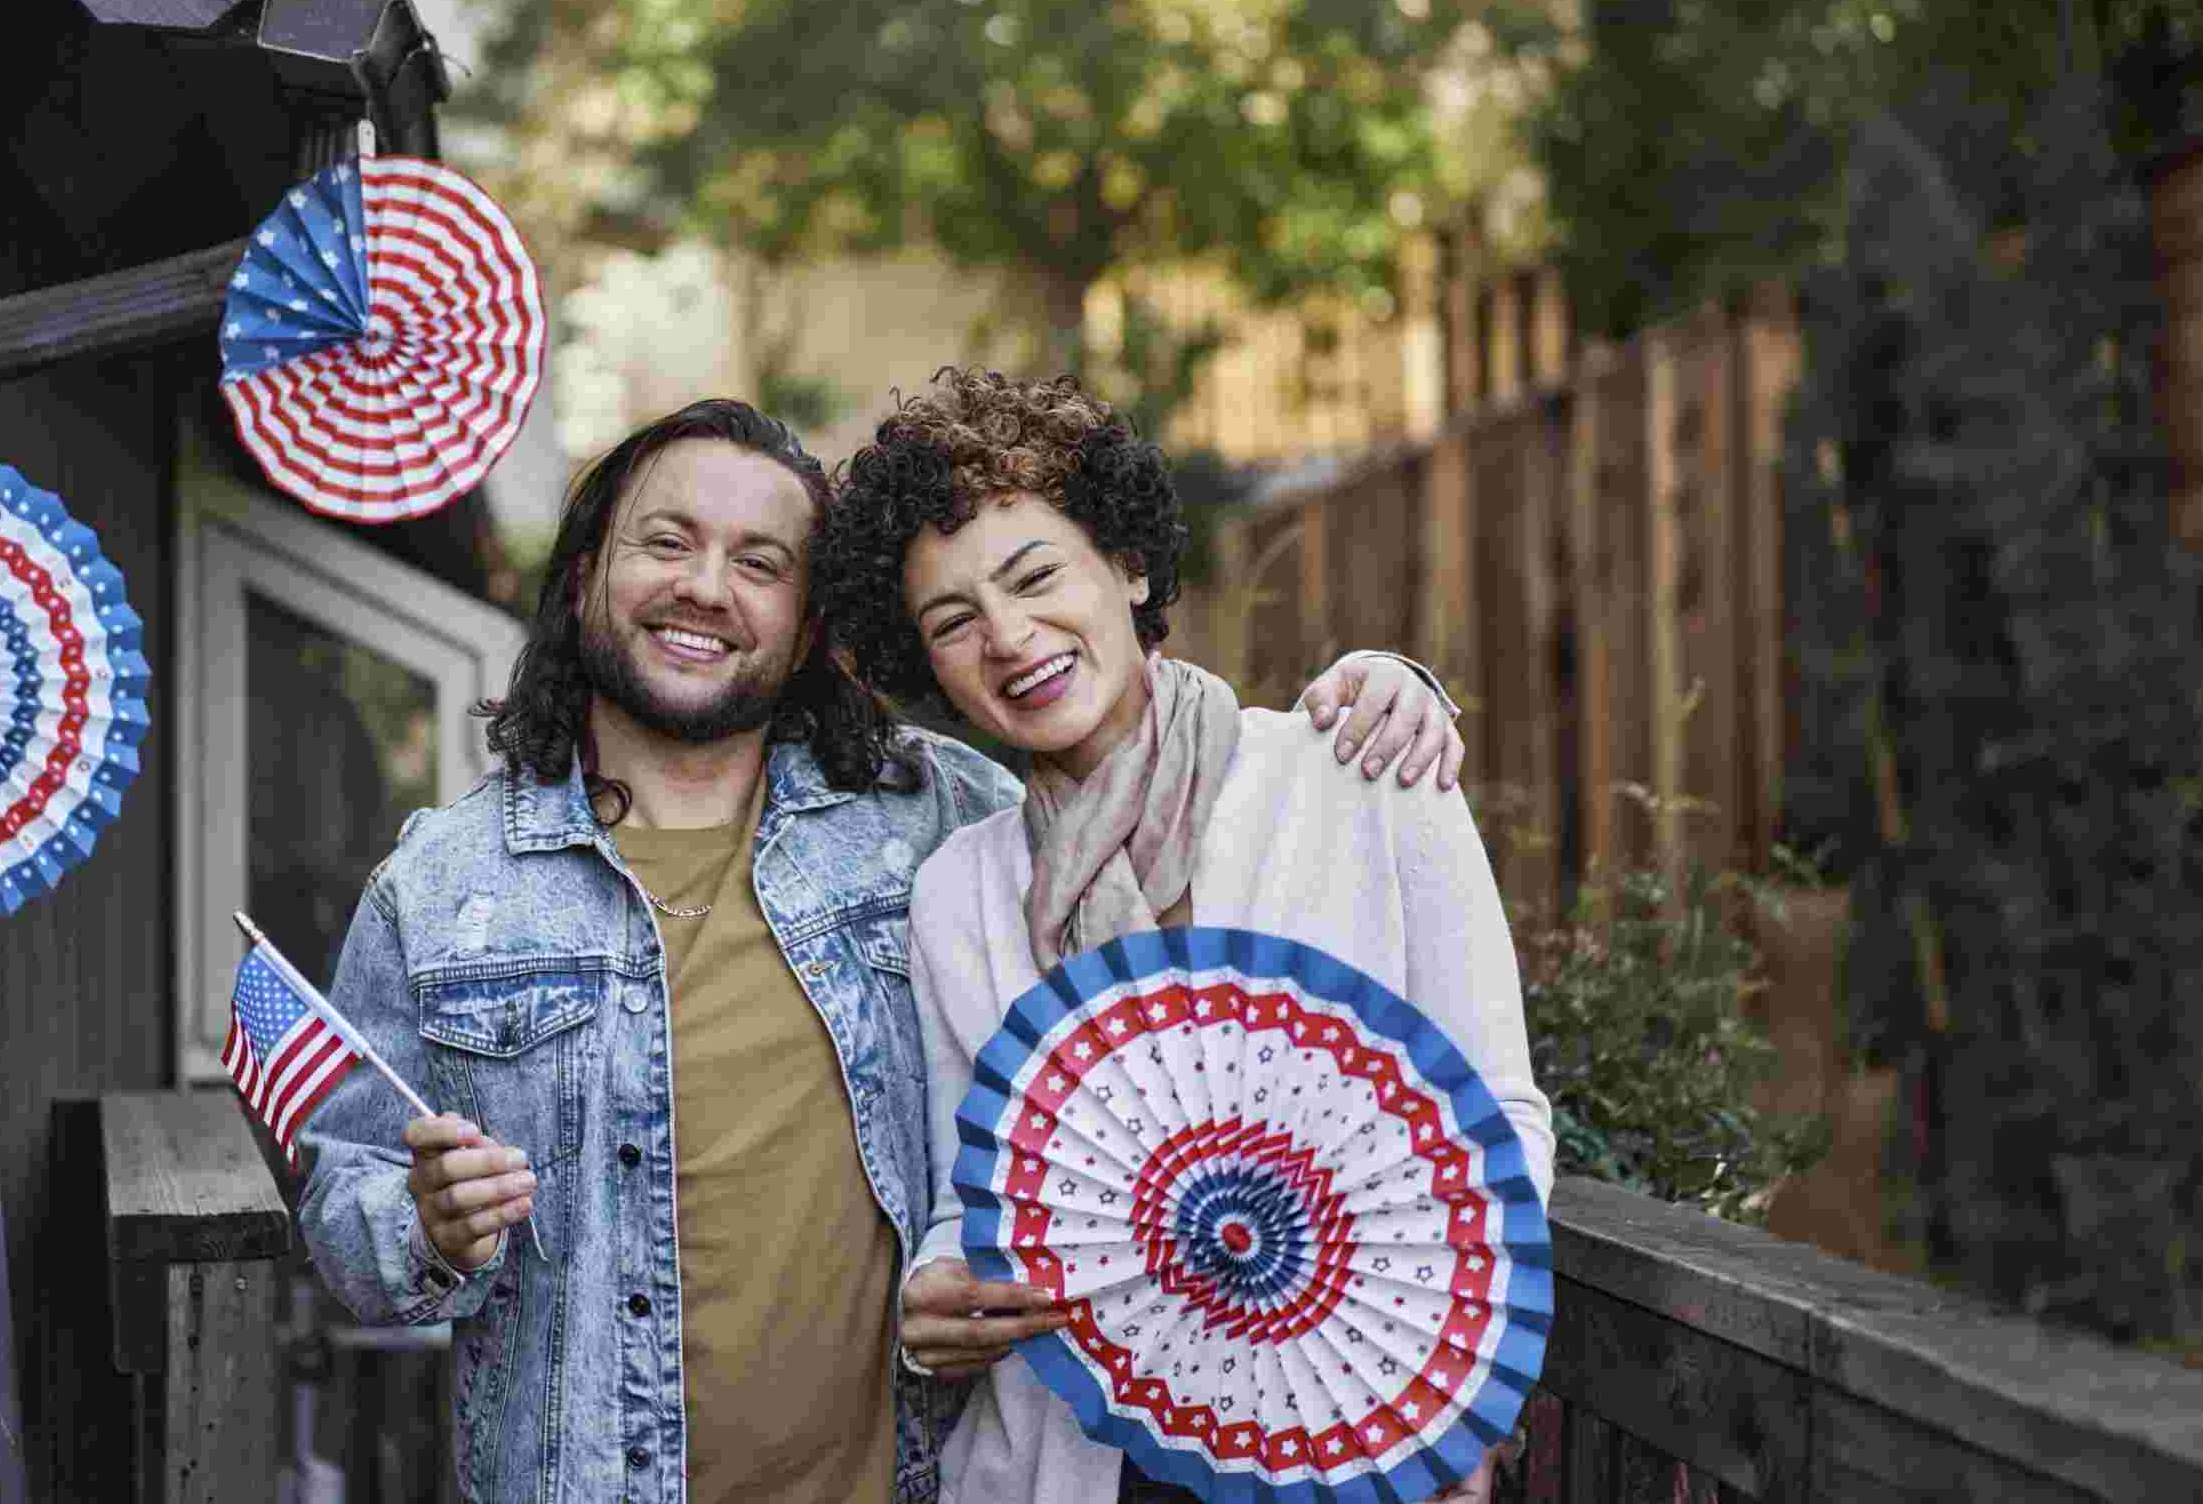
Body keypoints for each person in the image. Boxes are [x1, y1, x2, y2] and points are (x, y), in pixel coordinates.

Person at [296, 397, 1465, 1504]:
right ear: (588, 569)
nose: (706, 588)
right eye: (668, 542)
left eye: (760, 562)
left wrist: (1380, 697)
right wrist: (427, 1228)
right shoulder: (442, 888)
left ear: (808, 622)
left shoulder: (940, 824)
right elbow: (345, 1204)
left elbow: (1148, 804)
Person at [818, 369, 1552, 1504]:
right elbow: (978, 1195)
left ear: (1129, 564)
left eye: (1037, 576)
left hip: (1343, 1439)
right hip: (1074, 1454)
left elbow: (1494, 1109)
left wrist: (1464, 1400)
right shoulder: (959, 892)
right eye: (953, 621)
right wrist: (939, 1296)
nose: (1010, 638)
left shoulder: (1356, 770)